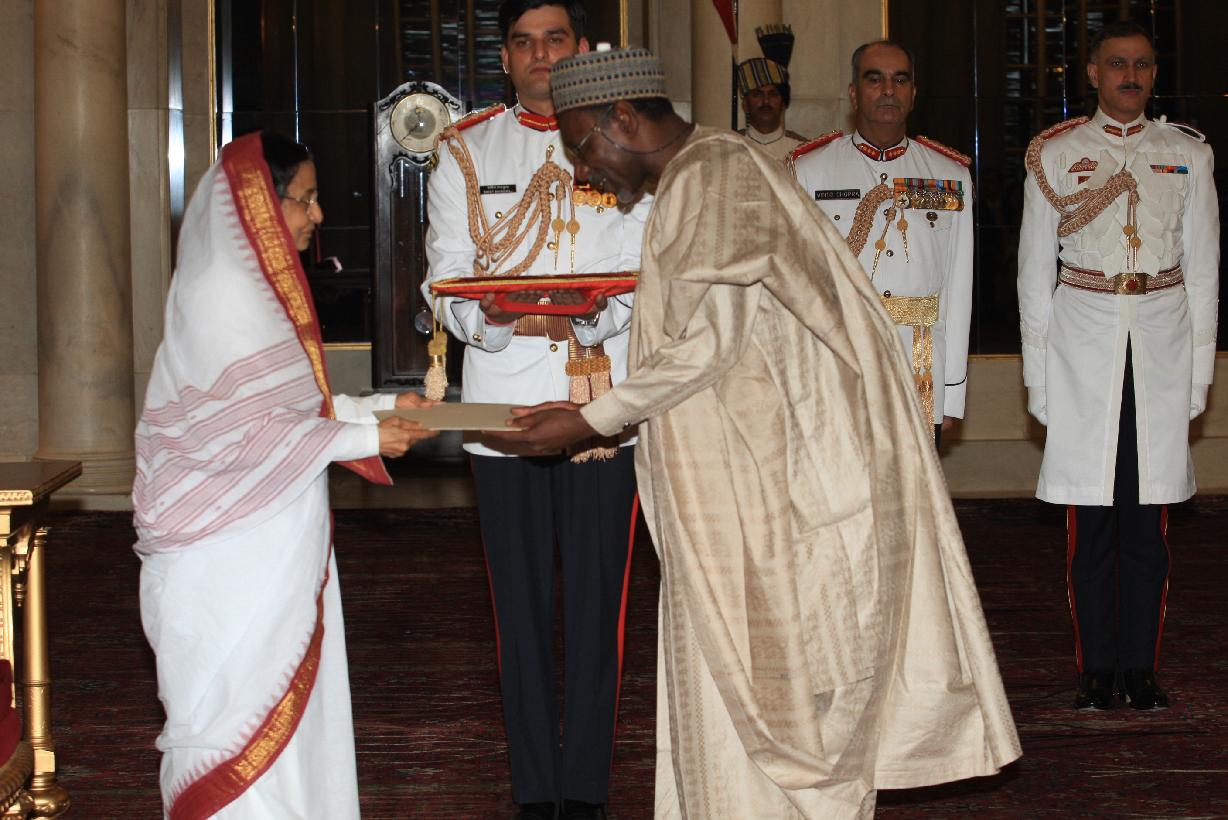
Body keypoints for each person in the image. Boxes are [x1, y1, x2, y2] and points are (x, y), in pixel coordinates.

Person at [492, 47, 1021, 819]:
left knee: (796, 710)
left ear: (624, 118)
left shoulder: (716, 177)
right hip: (744, 493)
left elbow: (711, 338)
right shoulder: (710, 172)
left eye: (581, 145)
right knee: (746, 703)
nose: (580, 169)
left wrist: (589, 419)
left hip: (786, 501)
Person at [133, 130, 437, 818]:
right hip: (220, 552)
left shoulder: (258, 291)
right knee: (229, 720)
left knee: (285, 723)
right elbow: (241, 434)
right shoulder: (221, 294)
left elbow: (292, 411)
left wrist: (382, 409)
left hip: (265, 542)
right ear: (259, 206)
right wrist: (366, 434)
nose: (318, 215)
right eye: (306, 198)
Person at [420, 2, 646, 817]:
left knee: (597, 606)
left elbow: (647, 268)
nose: (540, 55)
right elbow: (444, 277)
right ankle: (533, 791)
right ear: (506, 58)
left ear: (580, 50)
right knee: (517, 612)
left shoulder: (625, 141)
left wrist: (592, 313)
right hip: (503, 405)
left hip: (599, 402)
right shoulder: (465, 149)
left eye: (555, 40)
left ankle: (583, 790)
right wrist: (489, 314)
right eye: (524, 42)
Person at [1017, 20, 1219, 711]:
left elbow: (1205, 271)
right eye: (1116, 64)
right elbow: (1033, 274)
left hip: (1160, 345)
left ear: (1154, 75)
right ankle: (1095, 668)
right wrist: (1038, 377)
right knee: (1091, 526)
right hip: (1083, 348)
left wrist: (1199, 375)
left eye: (1141, 65)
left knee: (1147, 526)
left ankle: (1140, 668)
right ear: (1093, 74)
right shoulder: (1056, 154)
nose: (1130, 76)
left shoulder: (1186, 153)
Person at [791, 40, 973, 443]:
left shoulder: (950, 175)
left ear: (913, 94)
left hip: (919, 366)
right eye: (875, 80)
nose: (888, 90)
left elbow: (958, 290)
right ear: (854, 94)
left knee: (913, 483)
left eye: (900, 80)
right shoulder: (810, 171)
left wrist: (952, 391)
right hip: (838, 362)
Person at [735, 25, 807, 164]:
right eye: (757, 94)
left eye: (773, 94)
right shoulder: (730, 146)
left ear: (783, 103)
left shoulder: (802, 151)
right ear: (745, 104)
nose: (766, 101)